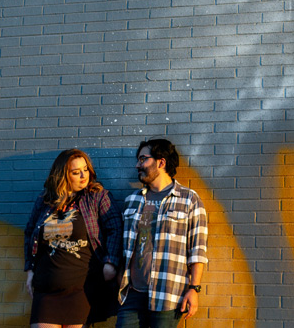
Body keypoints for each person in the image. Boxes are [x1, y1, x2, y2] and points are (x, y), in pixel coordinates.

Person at [24, 149, 124, 328]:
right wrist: (30, 269)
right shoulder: (45, 201)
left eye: (85, 169)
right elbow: (30, 233)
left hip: (81, 288)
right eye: (76, 172)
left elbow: (115, 227)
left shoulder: (97, 197)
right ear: (63, 174)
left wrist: (111, 262)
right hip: (46, 288)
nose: (83, 175)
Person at [116, 139, 208, 328]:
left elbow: (197, 249)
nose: (137, 165)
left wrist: (194, 288)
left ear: (161, 162)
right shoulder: (132, 200)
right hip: (132, 293)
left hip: (168, 294)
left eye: (143, 159)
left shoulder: (189, 199)